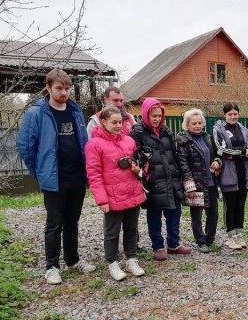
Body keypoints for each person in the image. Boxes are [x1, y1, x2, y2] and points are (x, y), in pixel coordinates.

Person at [17, 68, 95, 285]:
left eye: (67, 88)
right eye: (59, 88)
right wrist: (40, 173)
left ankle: (72, 260)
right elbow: (26, 146)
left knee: (73, 221)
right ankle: (51, 266)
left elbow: (82, 143)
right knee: (54, 223)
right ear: (48, 87)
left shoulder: (75, 111)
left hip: (77, 177)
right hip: (54, 179)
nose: (64, 92)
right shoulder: (37, 113)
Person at [85, 106, 146, 281]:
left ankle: (131, 259)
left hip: (132, 193)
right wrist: (101, 199)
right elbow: (94, 174)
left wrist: (137, 169)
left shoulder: (129, 141)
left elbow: (136, 163)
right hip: (112, 197)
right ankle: (113, 262)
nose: (119, 125)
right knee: (112, 232)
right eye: (114, 122)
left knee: (132, 229)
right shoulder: (94, 145)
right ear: (103, 122)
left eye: (120, 122)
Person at [129, 98, 191, 260]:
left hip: (171, 178)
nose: (157, 119)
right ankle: (157, 246)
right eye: (153, 116)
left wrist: (179, 175)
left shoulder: (167, 131)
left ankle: (174, 244)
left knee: (174, 212)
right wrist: (144, 168)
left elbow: (174, 155)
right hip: (153, 181)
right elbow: (134, 157)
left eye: (159, 116)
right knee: (154, 215)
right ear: (145, 114)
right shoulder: (137, 132)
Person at [176, 109, 221, 253]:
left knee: (213, 213)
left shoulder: (207, 137)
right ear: (187, 125)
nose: (197, 126)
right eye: (194, 123)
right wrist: (190, 187)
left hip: (211, 182)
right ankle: (200, 241)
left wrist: (217, 162)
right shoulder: (183, 140)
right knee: (197, 215)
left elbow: (215, 154)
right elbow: (183, 164)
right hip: (196, 184)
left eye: (200, 123)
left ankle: (210, 238)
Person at [213, 102, 248, 250]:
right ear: (225, 115)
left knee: (240, 206)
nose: (233, 116)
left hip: (243, 172)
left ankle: (239, 234)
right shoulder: (219, 129)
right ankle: (231, 237)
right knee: (230, 206)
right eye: (230, 114)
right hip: (228, 173)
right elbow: (221, 149)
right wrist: (242, 153)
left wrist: (245, 151)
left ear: (238, 114)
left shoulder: (244, 130)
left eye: (235, 114)